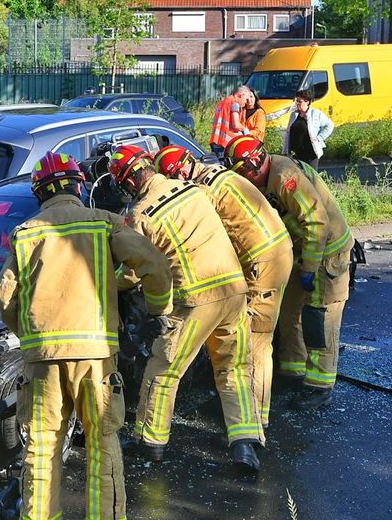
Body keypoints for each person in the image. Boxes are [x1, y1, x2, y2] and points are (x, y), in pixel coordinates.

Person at [0, 151, 173, 520]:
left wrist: (31, 335)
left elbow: (4, 297)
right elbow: (153, 264)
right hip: (94, 358)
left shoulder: (25, 233)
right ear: (78, 185)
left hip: (42, 361)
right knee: (102, 439)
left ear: (39, 194)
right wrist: (159, 309)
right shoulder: (102, 222)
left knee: (43, 443)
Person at [111, 144, 263, 472]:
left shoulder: (142, 215)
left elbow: (136, 270)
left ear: (130, 181)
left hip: (195, 301)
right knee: (234, 368)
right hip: (234, 290)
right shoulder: (192, 190)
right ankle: (244, 445)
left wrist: (110, 282)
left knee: (163, 370)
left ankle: (150, 444)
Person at [155, 144, 293, 430]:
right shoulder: (217, 174)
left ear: (180, 171)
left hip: (261, 262)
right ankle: (250, 414)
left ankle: (256, 418)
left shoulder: (203, 190)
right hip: (276, 250)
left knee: (255, 341)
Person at [224, 134, 353, 410]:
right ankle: (293, 371)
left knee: (320, 319)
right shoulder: (267, 177)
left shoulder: (284, 177)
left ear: (251, 167)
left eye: (242, 175)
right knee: (288, 311)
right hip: (301, 252)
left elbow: (316, 221)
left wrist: (309, 267)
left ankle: (320, 387)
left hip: (327, 253)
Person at [282, 89, 334, 168]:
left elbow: (329, 125)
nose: (297, 104)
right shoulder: (294, 115)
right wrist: (285, 151)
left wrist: (319, 137)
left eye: (300, 101)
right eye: (296, 101)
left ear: (307, 102)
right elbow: (288, 134)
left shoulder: (316, 114)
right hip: (295, 154)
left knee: (310, 178)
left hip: (310, 154)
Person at [208, 86, 250, 157]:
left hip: (216, 140)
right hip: (225, 143)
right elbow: (236, 125)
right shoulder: (235, 104)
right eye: (246, 99)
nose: (246, 102)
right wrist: (245, 130)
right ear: (240, 95)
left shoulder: (224, 102)